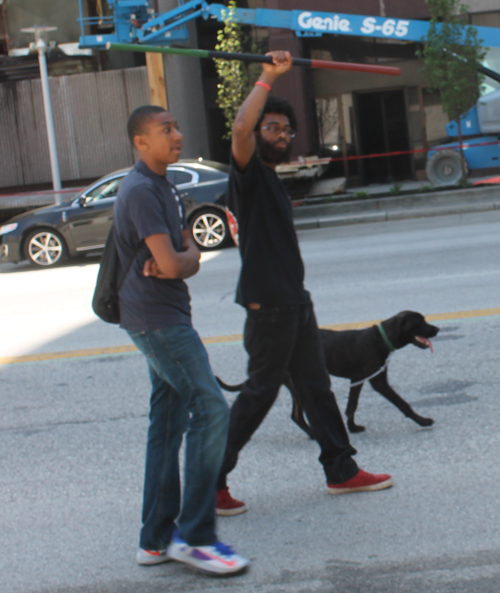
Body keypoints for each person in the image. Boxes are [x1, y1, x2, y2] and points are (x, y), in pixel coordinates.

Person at [215, 52, 393, 516]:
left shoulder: (272, 180)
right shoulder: (248, 176)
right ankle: (210, 481)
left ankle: (341, 470)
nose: (281, 135)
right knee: (258, 395)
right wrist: (269, 78)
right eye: (271, 128)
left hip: (294, 304)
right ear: (257, 135)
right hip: (269, 306)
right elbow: (239, 130)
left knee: (317, 389)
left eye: (286, 129)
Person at [113, 105, 249, 575]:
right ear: (140, 142)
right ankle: (195, 536)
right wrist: (187, 255)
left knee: (168, 426)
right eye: (164, 129)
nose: (177, 133)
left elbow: (180, 252)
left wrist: (182, 253)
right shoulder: (142, 190)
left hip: (158, 314)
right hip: (158, 320)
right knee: (211, 408)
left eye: (176, 125)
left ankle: (154, 540)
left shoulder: (160, 185)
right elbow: (175, 263)